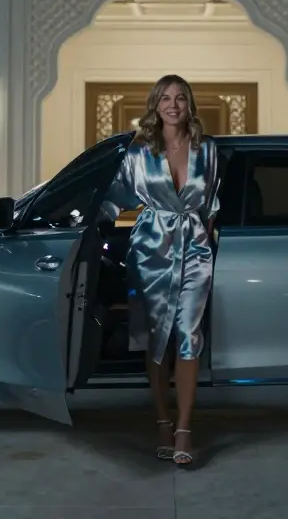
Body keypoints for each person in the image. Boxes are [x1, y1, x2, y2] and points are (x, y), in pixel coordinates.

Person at [100, 74, 221, 468]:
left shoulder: (208, 151)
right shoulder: (137, 154)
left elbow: (212, 205)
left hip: (196, 249)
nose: (173, 104)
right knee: (157, 339)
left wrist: (214, 236)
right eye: (165, 98)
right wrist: (75, 229)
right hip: (150, 250)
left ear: (190, 105)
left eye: (180, 98)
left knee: (188, 334)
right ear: (155, 105)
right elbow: (112, 200)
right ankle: (163, 420)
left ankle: (185, 427)